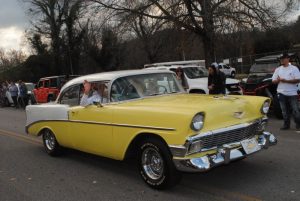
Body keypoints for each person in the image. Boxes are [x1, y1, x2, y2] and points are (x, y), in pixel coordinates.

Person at [272, 53, 300, 130]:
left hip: (292, 93)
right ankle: (286, 125)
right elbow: (273, 81)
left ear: (288, 59)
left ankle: (298, 124)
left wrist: (285, 81)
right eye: (281, 59)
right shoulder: (278, 69)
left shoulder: (294, 68)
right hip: (281, 93)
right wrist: (277, 80)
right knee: (284, 111)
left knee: (295, 110)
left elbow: (297, 80)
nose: (282, 60)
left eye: (283, 59)